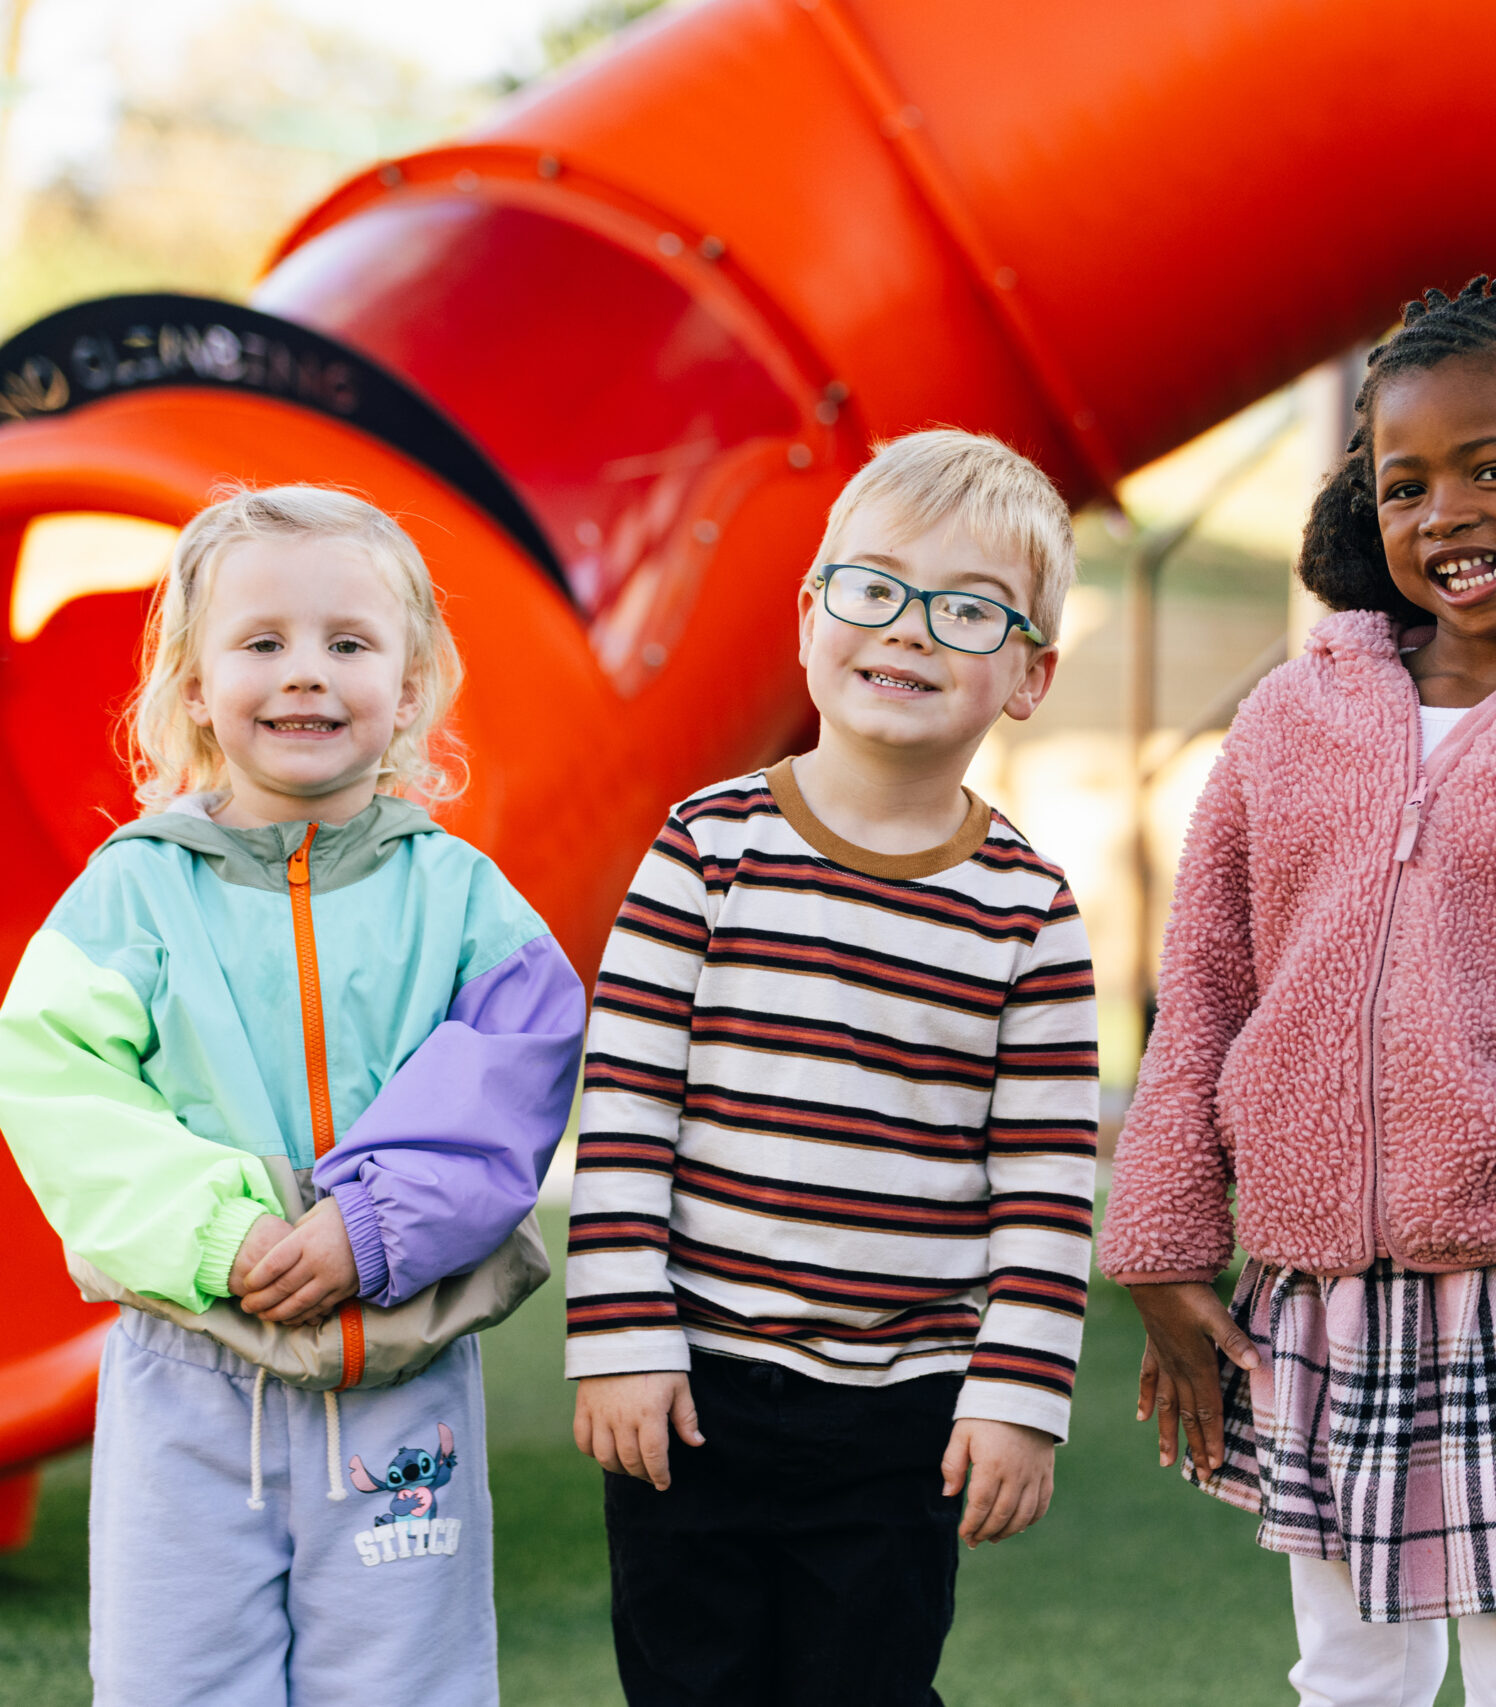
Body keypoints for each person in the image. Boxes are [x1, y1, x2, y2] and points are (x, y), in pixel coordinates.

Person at [1100, 276, 1496, 1707]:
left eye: (1495, 469)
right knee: (1345, 1667)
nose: (1445, 512)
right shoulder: (1292, 716)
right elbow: (1200, 989)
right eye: (1406, 484)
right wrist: (1158, 1238)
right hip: (1316, 1294)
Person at [0, 486, 585, 1706]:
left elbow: (511, 1074)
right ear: (195, 687)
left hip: (401, 1381)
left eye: (348, 644)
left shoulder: (465, 901)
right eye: (262, 643)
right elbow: (59, 1085)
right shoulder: (134, 897)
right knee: (175, 1680)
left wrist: (370, 1227)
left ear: (411, 687)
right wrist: (222, 1233)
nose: (305, 675)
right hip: (189, 1374)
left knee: (405, 1683)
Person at [564, 430, 1098, 1707]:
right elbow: (627, 1111)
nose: (908, 631)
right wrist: (619, 1335)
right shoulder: (707, 849)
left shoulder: (1029, 911)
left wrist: (1020, 1393)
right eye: (873, 590)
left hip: (898, 1414)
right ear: (811, 617)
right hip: (691, 1389)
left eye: (968, 611)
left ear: (1030, 673)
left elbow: (1044, 1180)